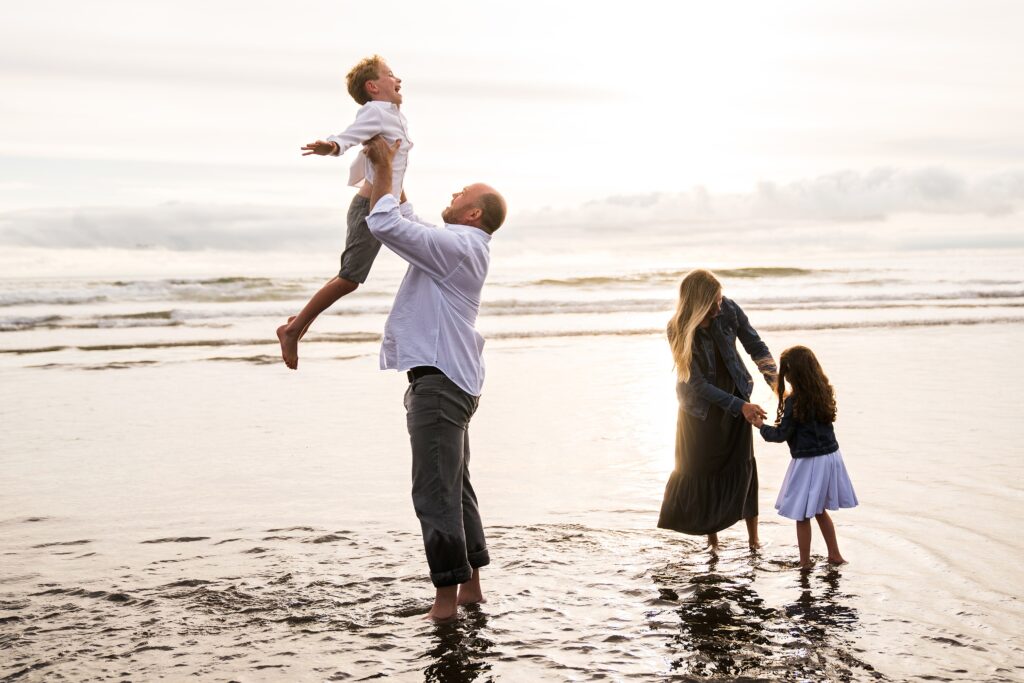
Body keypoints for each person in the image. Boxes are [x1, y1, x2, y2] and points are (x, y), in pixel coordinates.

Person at [362, 135, 507, 621]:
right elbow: (407, 221)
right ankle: (471, 590)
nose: (453, 194)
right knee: (455, 486)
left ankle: (445, 604)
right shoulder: (461, 245)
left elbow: (383, 222)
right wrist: (392, 169)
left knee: (435, 492)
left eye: (461, 192)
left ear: (473, 214)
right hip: (451, 380)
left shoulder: (461, 246)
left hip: (442, 383)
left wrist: (383, 170)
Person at [276, 55, 413, 369]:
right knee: (350, 278)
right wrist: (331, 146)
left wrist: (404, 206)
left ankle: (299, 322)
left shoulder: (391, 114)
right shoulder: (375, 111)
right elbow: (351, 134)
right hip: (370, 208)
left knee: (357, 273)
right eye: (390, 75)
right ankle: (293, 329)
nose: (398, 80)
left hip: (388, 206)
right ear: (373, 86)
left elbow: (397, 170)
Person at [658, 269, 777, 549]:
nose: (718, 307)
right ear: (697, 304)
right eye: (713, 303)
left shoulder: (729, 309)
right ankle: (713, 541)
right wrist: (742, 405)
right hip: (699, 410)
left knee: (743, 466)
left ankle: (754, 540)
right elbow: (697, 383)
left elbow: (755, 346)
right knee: (702, 470)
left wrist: (777, 386)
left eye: (720, 300)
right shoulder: (677, 327)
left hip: (738, 398)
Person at [752, 345, 858, 569]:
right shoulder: (824, 392)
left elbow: (780, 435)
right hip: (831, 456)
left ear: (792, 374)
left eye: (786, 371)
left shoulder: (794, 401)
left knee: (802, 514)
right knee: (819, 510)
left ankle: (805, 562)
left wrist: (760, 425)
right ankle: (835, 554)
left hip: (809, 461)